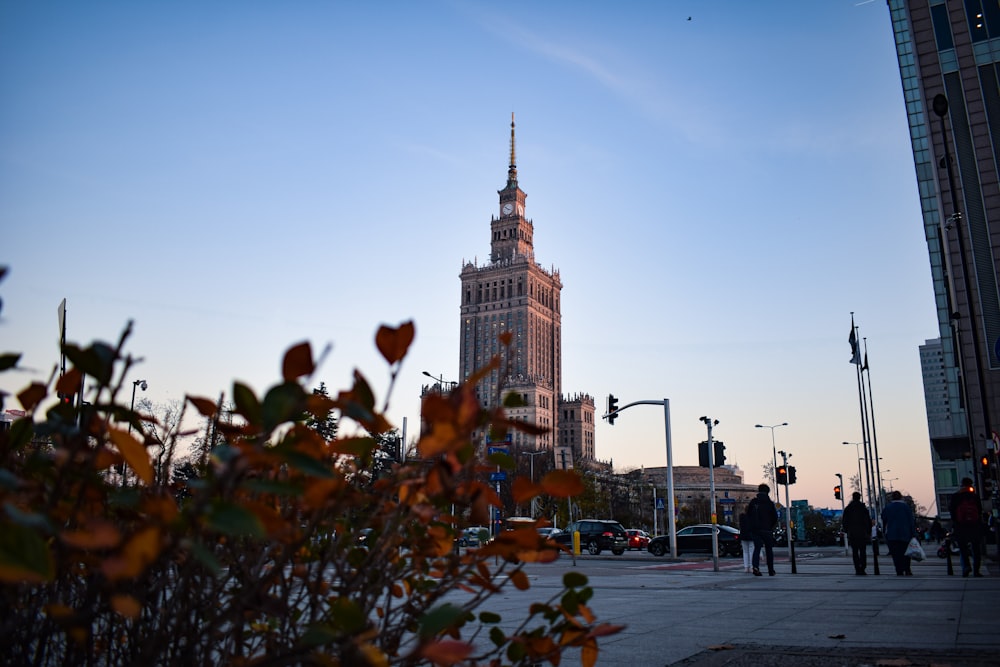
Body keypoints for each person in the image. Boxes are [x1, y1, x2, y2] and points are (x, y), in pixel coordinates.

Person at [948, 477, 984, 577]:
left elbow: (952, 510)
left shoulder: (956, 496)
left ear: (961, 484)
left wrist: (955, 522)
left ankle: (966, 567)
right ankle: (976, 570)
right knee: (976, 548)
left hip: (960, 526)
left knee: (962, 548)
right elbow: (980, 510)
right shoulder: (974, 496)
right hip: (974, 525)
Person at [881, 490, 916, 576]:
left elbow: (883, 518)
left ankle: (899, 570)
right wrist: (913, 533)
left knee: (896, 554)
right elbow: (911, 521)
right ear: (901, 497)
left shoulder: (888, 507)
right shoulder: (906, 507)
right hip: (905, 533)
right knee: (906, 552)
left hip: (892, 534)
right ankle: (907, 569)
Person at [746, 483, 778, 576]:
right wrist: (770, 527)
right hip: (767, 529)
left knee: (757, 548)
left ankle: (755, 567)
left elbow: (748, 515)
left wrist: (752, 526)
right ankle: (771, 570)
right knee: (769, 550)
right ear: (768, 492)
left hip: (756, 530)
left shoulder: (754, 502)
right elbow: (775, 517)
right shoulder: (769, 503)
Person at [842, 491, 870, 575]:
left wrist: (846, 530)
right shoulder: (863, 508)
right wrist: (868, 531)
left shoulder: (848, 508)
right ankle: (863, 567)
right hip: (862, 533)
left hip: (852, 533)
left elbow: (845, 521)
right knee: (862, 551)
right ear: (859, 498)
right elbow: (867, 521)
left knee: (855, 552)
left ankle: (857, 568)